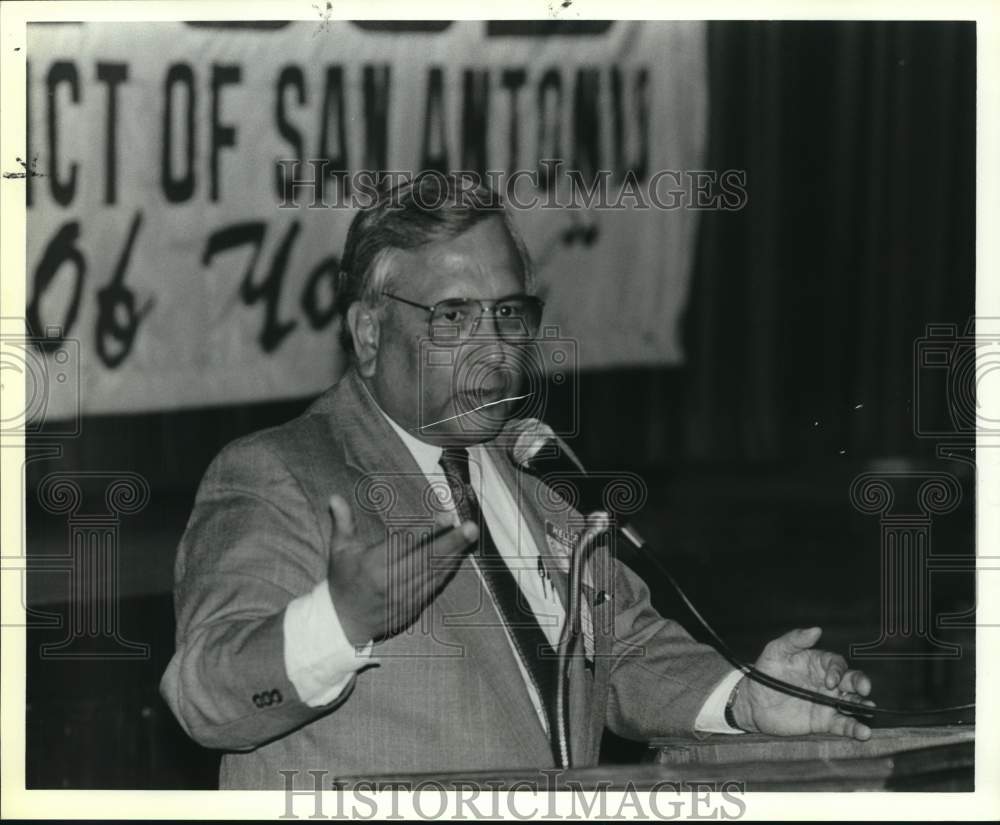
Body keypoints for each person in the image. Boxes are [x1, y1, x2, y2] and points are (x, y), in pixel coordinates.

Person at [161, 174, 874, 789]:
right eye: (454, 316)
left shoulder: (535, 466)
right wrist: (339, 621)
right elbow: (205, 696)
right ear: (370, 332)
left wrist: (746, 697)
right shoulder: (277, 471)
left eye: (509, 313)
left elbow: (619, 650)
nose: (495, 349)